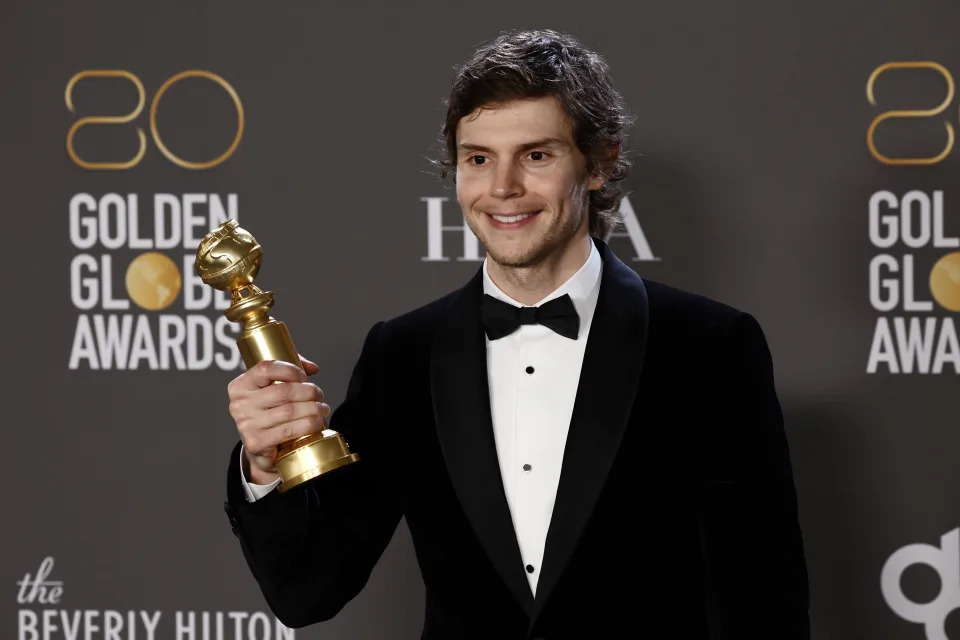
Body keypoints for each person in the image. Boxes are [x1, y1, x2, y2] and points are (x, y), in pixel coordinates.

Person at [222, 28, 809, 639]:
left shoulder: (710, 347)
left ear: (600, 163)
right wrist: (265, 467)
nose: (502, 188)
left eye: (536, 155)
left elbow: (763, 601)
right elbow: (308, 590)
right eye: (478, 159)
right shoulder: (403, 355)